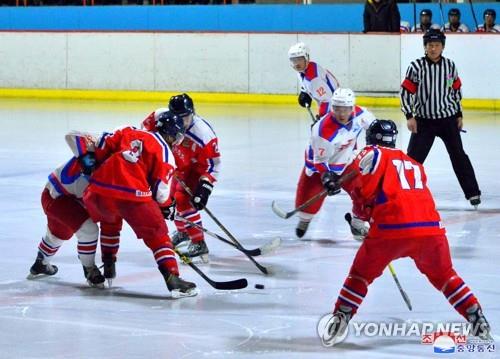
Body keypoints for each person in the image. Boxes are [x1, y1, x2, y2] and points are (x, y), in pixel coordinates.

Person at [319, 119, 491, 346]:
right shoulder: (413, 162)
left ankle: (341, 317)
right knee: (445, 276)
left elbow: (358, 184)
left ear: (371, 139)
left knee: (360, 275)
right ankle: (474, 314)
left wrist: (335, 182)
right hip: (431, 230)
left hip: (391, 230)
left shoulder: (371, 152)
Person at [72, 112, 198, 298]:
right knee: (159, 235)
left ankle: (108, 265)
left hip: (97, 192)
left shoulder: (128, 131)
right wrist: (167, 206)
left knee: (110, 223)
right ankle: (173, 278)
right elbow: (161, 193)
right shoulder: (165, 152)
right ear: (172, 135)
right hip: (131, 196)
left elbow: (100, 147)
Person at [401, 29, 481, 208]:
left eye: (437, 45)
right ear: (425, 47)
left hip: (448, 120)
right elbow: (406, 92)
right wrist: (409, 115)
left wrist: (459, 114)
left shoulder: (450, 66)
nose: (433, 48)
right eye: (430, 45)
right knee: (413, 160)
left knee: (459, 156)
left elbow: (455, 91)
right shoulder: (416, 67)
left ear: (442, 47)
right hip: (424, 122)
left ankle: (473, 193)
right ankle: (402, 192)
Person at [142, 93, 221, 263]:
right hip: (177, 164)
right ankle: (184, 231)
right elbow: (145, 133)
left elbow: (214, 164)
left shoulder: (203, 134)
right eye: (178, 117)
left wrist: (205, 187)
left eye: (186, 117)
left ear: (192, 113)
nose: (182, 122)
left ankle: (199, 242)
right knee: (169, 199)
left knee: (184, 200)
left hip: (196, 168)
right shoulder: (160, 117)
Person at [294, 88, 375, 239]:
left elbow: (374, 127)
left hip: (347, 162)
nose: (342, 113)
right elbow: (320, 161)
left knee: (365, 192)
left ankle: (357, 224)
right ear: (332, 108)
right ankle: (305, 219)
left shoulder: (361, 115)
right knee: (307, 204)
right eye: (337, 109)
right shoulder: (323, 131)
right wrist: (327, 178)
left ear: (352, 107)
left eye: (346, 109)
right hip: (319, 167)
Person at [27, 154, 106, 288]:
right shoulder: (94, 172)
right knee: (88, 230)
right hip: (58, 199)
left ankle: (41, 262)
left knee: (58, 234)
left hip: (54, 195)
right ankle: (89, 269)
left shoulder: (94, 157)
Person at [288, 42, 340, 120]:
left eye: (299, 59)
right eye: (293, 60)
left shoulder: (314, 79)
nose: (297, 64)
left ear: (307, 58)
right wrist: (304, 92)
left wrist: (321, 119)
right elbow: (305, 81)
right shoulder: (305, 68)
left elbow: (327, 101)